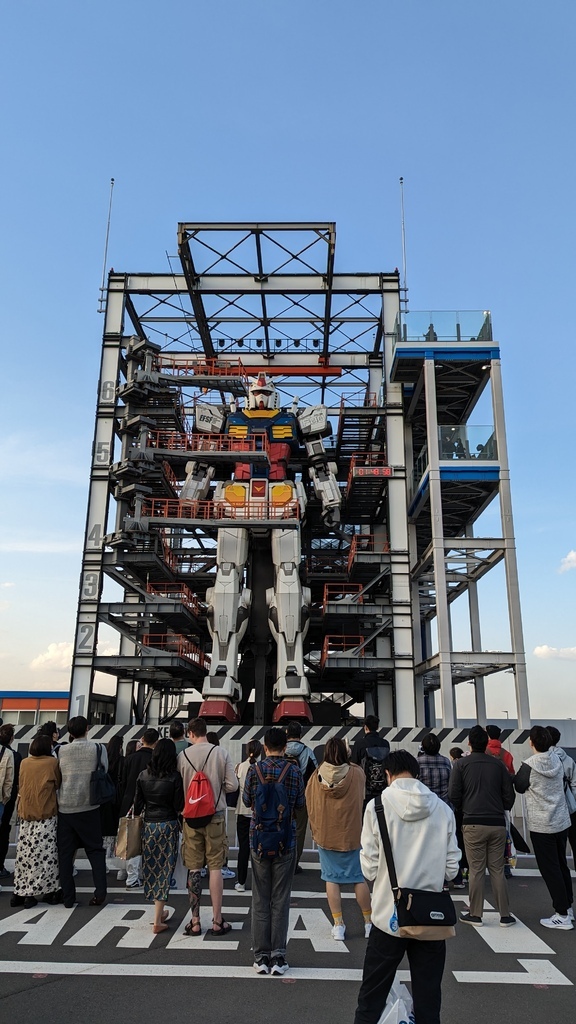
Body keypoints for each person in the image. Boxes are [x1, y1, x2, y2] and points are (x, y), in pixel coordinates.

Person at [353, 750, 460, 1024]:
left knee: (371, 998)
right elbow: (452, 869)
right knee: (428, 1000)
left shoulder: (377, 807)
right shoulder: (443, 809)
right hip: (431, 917)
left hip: (388, 916)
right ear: (416, 774)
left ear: (388, 775)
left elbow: (369, 868)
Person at [243, 726, 304, 976]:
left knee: (260, 898)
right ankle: (279, 957)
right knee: (280, 898)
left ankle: (261, 957)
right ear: (285, 747)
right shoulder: (294, 770)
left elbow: (246, 800)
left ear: (265, 747)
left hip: (258, 839)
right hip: (285, 840)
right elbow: (300, 803)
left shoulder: (254, 770)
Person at [448, 725, 516, 927]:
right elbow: (509, 796)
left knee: (476, 869)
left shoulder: (461, 765)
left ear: (469, 743)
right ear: (486, 743)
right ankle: (505, 915)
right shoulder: (498, 765)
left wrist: (464, 807)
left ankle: (475, 914)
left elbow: (453, 794)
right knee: (497, 869)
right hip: (496, 822)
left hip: (473, 822)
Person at [305, 737, 371, 941]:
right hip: (352, 834)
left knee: (331, 879)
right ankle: (369, 923)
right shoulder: (356, 773)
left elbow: (309, 800)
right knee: (358, 878)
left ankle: (338, 924)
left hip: (327, 835)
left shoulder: (317, 775)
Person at [177, 718, 238, 937]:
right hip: (215, 816)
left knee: (194, 868)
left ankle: (195, 921)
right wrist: (216, 788)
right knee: (215, 867)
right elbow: (233, 785)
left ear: (190, 733)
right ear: (205, 731)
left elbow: (179, 786)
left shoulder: (183, 756)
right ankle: (217, 920)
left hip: (191, 818)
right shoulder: (220, 753)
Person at [514, 725, 573, 929]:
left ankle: (562, 914)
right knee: (561, 865)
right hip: (561, 820)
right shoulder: (557, 759)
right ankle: (568, 907)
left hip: (542, 825)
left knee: (550, 870)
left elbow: (519, 786)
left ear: (531, 742)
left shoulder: (529, 765)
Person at [56, 716, 108, 909]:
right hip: (90, 805)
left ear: (69, 732)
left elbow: (58, 776)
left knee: (65, 854)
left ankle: (68, 897)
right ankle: (100, 893)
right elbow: (105, 770)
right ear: (87, 728)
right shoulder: (98, 748)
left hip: (66, 807)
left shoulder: (61, 750)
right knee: (95, 851)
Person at [134, 737, 184, 933]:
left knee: (152, 867)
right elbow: (179, 805)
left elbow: (138, 804)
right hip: (168, 825)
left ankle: (159, 911)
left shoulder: (143, 775)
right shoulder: (175, 777)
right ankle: (157, 921)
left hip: (149, 825)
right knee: (165, 869)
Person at [11, 733, 62, 908]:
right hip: (45, 814)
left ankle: (21, 890)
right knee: (45, 856)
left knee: (25, 855)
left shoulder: (25, 762)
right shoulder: (52, 763)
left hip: (26, 814)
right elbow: (58, 784)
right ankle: (43, 891)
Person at [118, 727, 159, 889]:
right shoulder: (155, 759)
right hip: (149, 802)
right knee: (144, 840)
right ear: (156, 742)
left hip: (129, 802)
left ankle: (126, 872)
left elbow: (122, 782)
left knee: (130, 839)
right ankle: (135, 876)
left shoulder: (129, 759)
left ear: (143, 740)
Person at [285, 720, 318, 873]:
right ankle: (294, 863)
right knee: (299, 831)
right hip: (300, 798)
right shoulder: (308, 752)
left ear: (287, 733)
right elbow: (315, 776)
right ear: (301, 734)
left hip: (280, 798)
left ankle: (280, 860)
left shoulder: (281, 749)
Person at [206, 731, 235, 879]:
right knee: (218, 843)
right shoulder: (221, 754)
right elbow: (232, 785)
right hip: (216, 806)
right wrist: (222, 788)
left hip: (196, 807)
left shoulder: (192, 753)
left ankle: (201, 868)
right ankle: (221, 868)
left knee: (199, 843)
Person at [234, 739, 262, 892]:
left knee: (243, 848)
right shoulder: (261, 767)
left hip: (242, 811)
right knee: (259, 848)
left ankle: (241, 881)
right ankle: (259, 882)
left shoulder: (240, 767)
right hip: (258, 812)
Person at [546, 725, 576, 863]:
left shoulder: (541, 760)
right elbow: (574, 783)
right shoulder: (568, 759)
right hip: (569, 807)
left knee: (556, 847)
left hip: (550, 809)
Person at [350, 715, 390, 808]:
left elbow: (353, 765)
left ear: (365, 727)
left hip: (365, 789)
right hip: (382, 788)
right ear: (377, 727)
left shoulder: (360, 743)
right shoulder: (385, 744)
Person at [0, 724, 22, 877]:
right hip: (5, 801)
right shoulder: (14, 756)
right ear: (12, 738)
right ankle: (0, 866)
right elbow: (13, 781)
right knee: (3, 833)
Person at [100, 735, 124, 871]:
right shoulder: (122, 761)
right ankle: (120, 866)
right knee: (118, 832)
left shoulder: (104, 760)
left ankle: (103, 864)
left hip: (104, 798)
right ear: (120, 747)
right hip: (117, 799)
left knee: (104, 832)